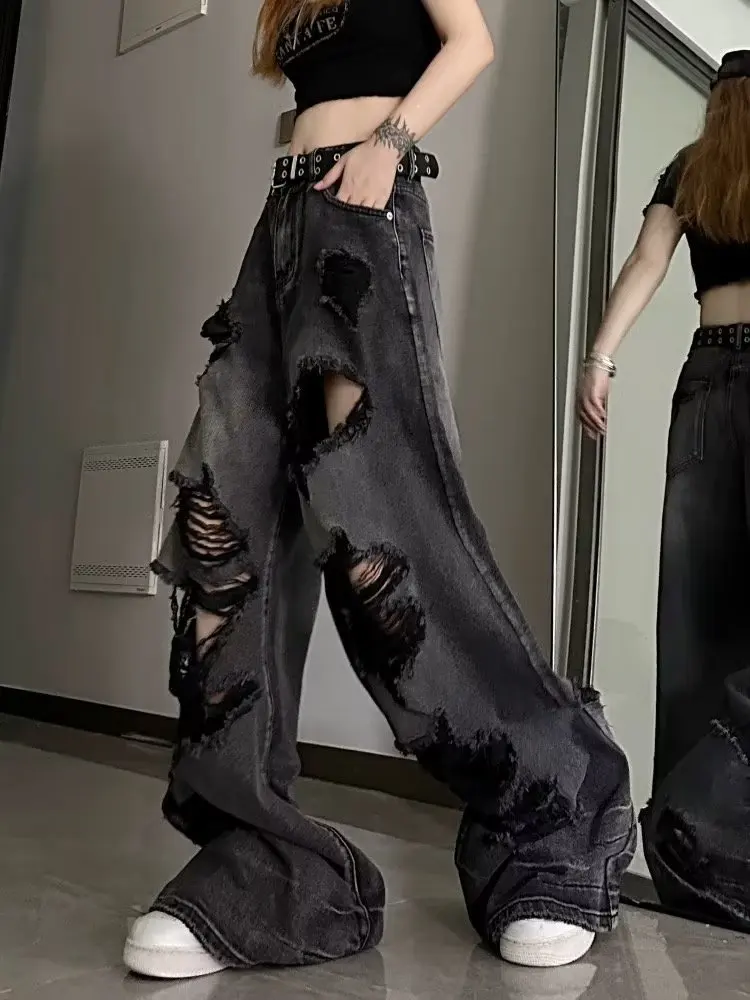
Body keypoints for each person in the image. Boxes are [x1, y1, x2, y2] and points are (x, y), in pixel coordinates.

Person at [123, 0, 635, 980]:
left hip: (364, 214)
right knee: (226, 521)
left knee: (379, 523)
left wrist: (387, 144)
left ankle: (556, 801)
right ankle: (261, 855)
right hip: (285, 221)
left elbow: (471, 42)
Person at [578, 49, 750, 924]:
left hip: (707, 379)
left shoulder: (692, 168)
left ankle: (685, 846)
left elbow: (646, 263)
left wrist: (600, 357)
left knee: (693, 615)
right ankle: (723, 828)